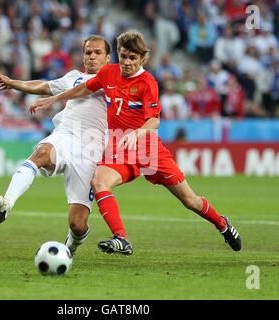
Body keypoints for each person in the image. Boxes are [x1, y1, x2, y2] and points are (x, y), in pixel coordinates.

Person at [29, 31, 242, 255]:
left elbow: (154, 120)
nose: (127, 62)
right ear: (118, 55)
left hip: (149, 151)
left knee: (190, 201)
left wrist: (136, 133)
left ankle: (222, 223)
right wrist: (54, 98)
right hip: (120, 151)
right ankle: (121, 238)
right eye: (123, 56)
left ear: (142, 59)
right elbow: (83, 88)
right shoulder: (108, 73)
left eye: (132, 58)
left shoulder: (147, 82)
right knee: (99, 181)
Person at [0, 35, 111, 255]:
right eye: (88, 52)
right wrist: (15, 84)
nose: (91, 56)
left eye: (97, 52)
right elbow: (44, 86)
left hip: (90, 153)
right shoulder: (74, 77)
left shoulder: (115, 81)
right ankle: (7, 203)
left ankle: (70, 246)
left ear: (108, 57)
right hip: (65, 136)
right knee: (42, 152)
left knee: (77, 224)